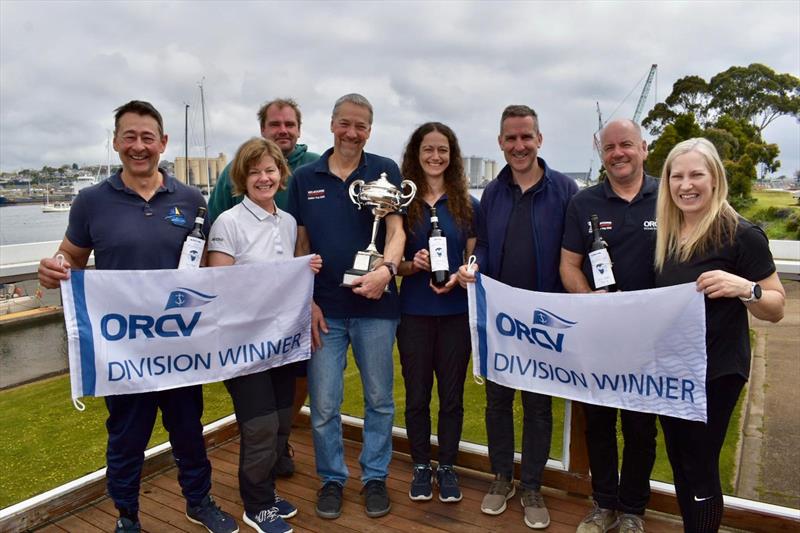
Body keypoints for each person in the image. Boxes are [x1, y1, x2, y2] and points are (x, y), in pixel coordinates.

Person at [37, 100, 238, 533]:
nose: (139, 146)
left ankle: (199, 502)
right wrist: (54, 267)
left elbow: (206, 267)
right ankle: (127, 515)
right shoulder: (91, 201)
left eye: (148, 137)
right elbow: (71, 255)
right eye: (129, 137)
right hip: (124, 348)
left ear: (163, 142)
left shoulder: (191, 199)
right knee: (127, 437)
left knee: (188, 429)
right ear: (116, 142)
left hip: (180, 343)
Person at [457, 104, 578, 529]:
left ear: (539, 139)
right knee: (498, 403)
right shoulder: (493, 193)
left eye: (526, 137)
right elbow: (485, 246)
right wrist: (474, 266)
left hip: (544, 321)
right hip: (501, 318)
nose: (519, 145)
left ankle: (532, 486)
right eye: (511, 138)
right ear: (500, 142)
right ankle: (501, 477)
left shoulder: (565, 190)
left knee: (539, 407)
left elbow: (574, 253)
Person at [654, 138, 784, 532]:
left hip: (717, 369)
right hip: (673, 369)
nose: (685, 185)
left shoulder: (741, 234)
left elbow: (776, 306)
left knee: (700, 465)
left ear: (715, 179)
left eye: (696, 175)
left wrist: (745, 288)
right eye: (677, 176)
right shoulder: (668, 233)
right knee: (680, 460)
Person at [286, 93, 405, 520]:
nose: (352, 133)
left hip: (377, 307)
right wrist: (307, 301)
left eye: (361, 126)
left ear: (370, 130)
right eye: (345, 124)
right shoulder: (305, 178)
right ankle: (332, 479)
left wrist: (387, 271)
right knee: (323, 405)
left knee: (379, 400)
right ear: (332, 124)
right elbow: (300, 245)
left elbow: (396, 231)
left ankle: (375, 477)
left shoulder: (385, 170)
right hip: (325, 310)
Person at [207, 137, 322, 533]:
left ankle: (268, 492)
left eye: (270, 170)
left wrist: (305, 268)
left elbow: (290, 278)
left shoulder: (287, 222)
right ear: (243, 177)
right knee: (259, 427)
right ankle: (256, 506)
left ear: (281, 174)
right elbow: (220, 284)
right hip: (242, 346)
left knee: (281, 420)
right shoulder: (228, 222)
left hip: (282, 342)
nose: (263, 178)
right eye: (254, 171)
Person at [560, 119, 658, 533]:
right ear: (602, 154)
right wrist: (589, 300)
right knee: (598, 424)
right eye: (609, 148)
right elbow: (568, 265)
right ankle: (603, 505)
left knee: (640, 428)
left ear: (644, 148)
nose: (618, 153)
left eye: (626, 145)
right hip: (599, 337)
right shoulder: (584, 203)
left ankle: (633, 511)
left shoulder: (668, 196)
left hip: (651, 339)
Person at [396, 122, 479, 503]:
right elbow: (392, 264)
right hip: (414, 313)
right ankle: (420, 465)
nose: (435, 156)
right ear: (417, 154)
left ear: (452, 155)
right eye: (428, 149)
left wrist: (463, 274)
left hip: (455, 313)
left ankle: (446, 466)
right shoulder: (403, 202)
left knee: (451, 398)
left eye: (442, 149)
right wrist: (412, 264)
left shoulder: (467, 204)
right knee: (416, 396)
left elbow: (474, 258)